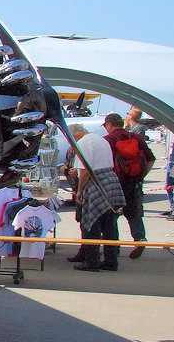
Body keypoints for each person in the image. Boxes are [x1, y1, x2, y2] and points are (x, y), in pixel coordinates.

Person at [66, 123, 124, 272]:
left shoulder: (83, 143)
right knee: (109, 225)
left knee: (91, 224)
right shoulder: (100, 139)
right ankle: (111, 261)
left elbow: (85, 170)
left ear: (76, 135)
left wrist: (79, 191)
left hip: (96, 182)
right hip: (110, 180)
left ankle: (92, 262)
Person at [102, 112, 155, 258]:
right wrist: (141, 176)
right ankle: (140, 239)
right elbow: (151, 159)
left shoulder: (107, 140)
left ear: (109, 125)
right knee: (135, 214)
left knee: (111, 216)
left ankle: (114, 247)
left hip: (114, 184)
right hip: (134, 182)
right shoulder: (136, 137)